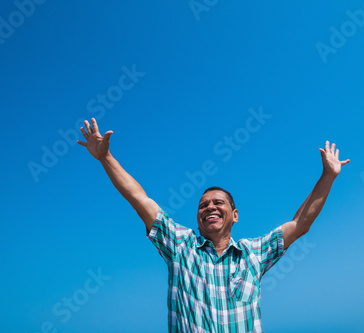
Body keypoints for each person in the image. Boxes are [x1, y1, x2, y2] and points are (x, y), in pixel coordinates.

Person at [77, 118, 350, 332]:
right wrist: (105, 158)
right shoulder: (181, 247)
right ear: (198, 217)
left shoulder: (253, 254)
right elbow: (140, 199)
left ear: (235, 214)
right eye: (203, 205)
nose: (210, 207)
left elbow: (300, 224)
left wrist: (328, 176)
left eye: (218, 203)